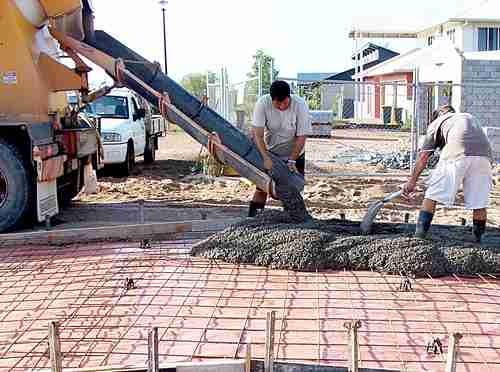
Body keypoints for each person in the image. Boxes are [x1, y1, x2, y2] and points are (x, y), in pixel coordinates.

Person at [403, 105, 493, 242]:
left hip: (456, 155)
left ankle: (419, 236)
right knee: (479, 202)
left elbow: (423, 158)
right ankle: (478, 240)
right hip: (484, 158)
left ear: (438, 115)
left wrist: (412, 181)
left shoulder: (437, 123)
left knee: (432, 195)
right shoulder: (467, 116)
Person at [248, 80, 313, 217]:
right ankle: (253, 217)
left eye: (285, 102)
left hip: (295, 152)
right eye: (278, 103)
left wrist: (292, 160)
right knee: (262, 187)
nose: (283, 106)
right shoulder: (262, 103)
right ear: (272, 99)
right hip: (271, 152)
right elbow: (257, 135)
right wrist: (265, 158)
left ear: (289, 97)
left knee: (293, 189)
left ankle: (294, 219)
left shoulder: (300, 105)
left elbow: (302, 136)